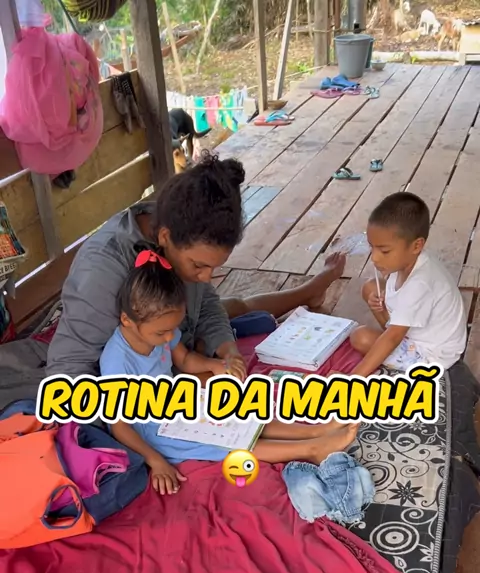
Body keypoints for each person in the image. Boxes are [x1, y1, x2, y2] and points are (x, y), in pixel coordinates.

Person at [46, 152, 346, 381]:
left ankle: (311, 289)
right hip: (143, 376)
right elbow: (69, 369)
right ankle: (311, 290)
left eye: (213, 268)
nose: (206, 278)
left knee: (235, 307)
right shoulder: (104, 269)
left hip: (176, 342)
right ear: (165, 237)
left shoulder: (180, 230)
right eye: (199, 266)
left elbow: (207, 306)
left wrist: (227, 349)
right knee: (236, 310)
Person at [100, 251, 357, 495]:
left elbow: (185, 359)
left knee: (238, 414)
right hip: (156, 433)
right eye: (161, 333)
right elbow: (119, 427)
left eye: (172, 330)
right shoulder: (117, 361)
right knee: (228, 441)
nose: (169, 337)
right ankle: (311, 449)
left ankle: (313, 431)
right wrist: (155, 460)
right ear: (127, 320)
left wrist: (213, 365)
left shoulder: (159, 329)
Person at [350, 192, 466, 377]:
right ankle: (393, 331)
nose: (374, 257)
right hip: (415, 331)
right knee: (370, 287)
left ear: (416, 246)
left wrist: (352, 379)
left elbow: (393, 337)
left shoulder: (421, 283)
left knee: (361, 337)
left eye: (384, 251)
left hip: (430, 356)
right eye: (372, 247)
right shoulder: (410, 260)